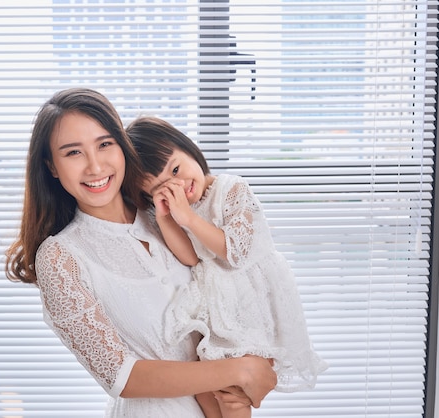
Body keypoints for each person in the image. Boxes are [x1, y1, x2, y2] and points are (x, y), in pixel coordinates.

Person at [4, 88, 277, 417]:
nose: (95, 166)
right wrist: (240, 371)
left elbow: (234, 283)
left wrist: (254, 365)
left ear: (122, 145)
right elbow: (121, 376)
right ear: (52, 167)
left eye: (104, 144)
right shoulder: (61, 257)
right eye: (73, 153)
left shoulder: (165, 212)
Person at [126, 116, 328, 418]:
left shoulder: (231, 189)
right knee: (206, 389)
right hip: (218, 307)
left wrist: (189, 219)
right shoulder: (179, 212)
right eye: (161, 189)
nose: (178, 186)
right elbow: (191, 258)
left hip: (250, 305)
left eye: (176, 170)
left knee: (232, 395)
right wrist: (168, 218)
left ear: (187, 147)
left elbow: (235, 253)